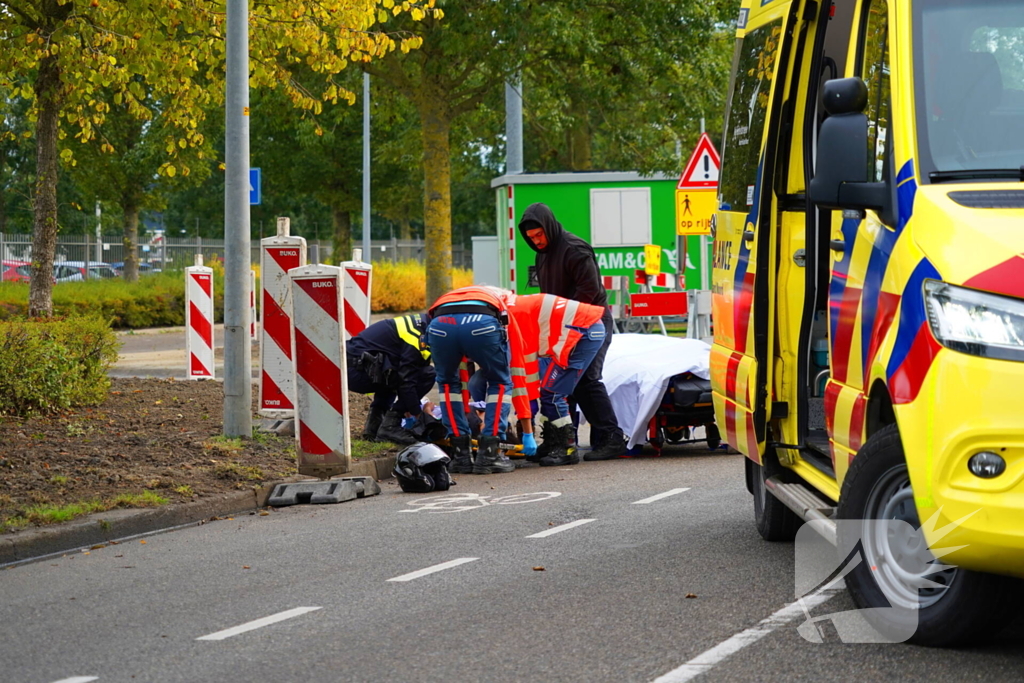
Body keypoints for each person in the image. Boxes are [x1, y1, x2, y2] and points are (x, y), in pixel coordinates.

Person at [518, 202, 628, 460]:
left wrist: (562, 320)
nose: (536, 241)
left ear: (549, 227)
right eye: (531, 238)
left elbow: (589, 291)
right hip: (563, 324)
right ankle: (564, 441)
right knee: (562, 383)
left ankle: (611, 438)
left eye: (539, 235)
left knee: (586, 379)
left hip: (591, 322)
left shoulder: (574, 249)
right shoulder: (542, 254)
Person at [427, 286, 537, 474]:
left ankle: (460, 457)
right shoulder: (508, 307)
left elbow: (461, 378)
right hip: (482, 323)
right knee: (500, 383)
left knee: (447, 386)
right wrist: (527, 432)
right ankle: (489, 455)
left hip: (440, 324)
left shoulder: (459, 295)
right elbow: (516, 373)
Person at [505, 293, 606, 466]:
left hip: (582, 331)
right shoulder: (512, 306)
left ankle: (567, 449)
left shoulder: (514, 316)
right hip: (582, 328)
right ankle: (552, 443)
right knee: (548, 390)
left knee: (552, 393)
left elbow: (526, 366)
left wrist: (527, 408)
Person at [347, 313, 435, 445]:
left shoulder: (418, 323)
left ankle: (374, 427)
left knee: (392, 369)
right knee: (427, 374)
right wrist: (417, 414)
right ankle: (390, 426)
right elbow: (407, 381)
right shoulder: (418, 335)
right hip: (360, 372)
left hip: (351, 369)